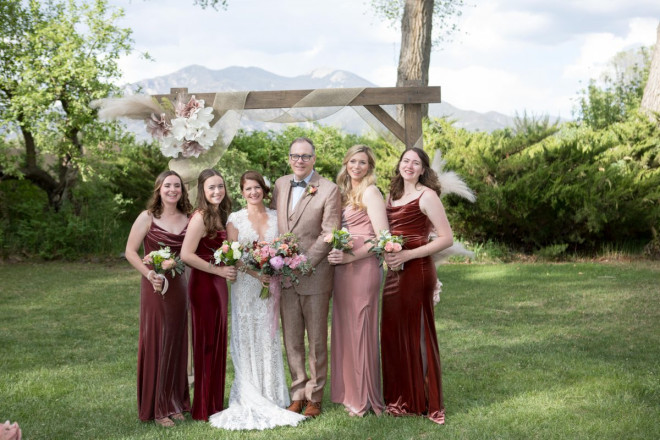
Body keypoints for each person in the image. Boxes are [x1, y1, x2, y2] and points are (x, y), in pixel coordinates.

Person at [209, 171, 306, 430]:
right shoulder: (235, 219)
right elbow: (231, 254)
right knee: (247, 333)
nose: (254, 192)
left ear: (264, 189)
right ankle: (249, 390)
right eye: (248, 189)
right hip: (245, 285)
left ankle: (273, 394)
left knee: (269, 335)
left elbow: (286, 246)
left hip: (272, 286)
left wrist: (274, 268)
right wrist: (256, 273)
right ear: (242, 192)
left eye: (257, 188)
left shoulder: (277, 216)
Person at [381, 147, 453, 425]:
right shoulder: (392, 196)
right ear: (399, 164)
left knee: (418, 333)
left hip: (418, 270)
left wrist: (408, 254)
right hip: (394, 272)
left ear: (423, 169)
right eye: (405, 161)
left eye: (416, 163)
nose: (409, 166)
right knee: (392, 331)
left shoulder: (428, 195)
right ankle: (399, 398)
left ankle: (425, 400)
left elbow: (446, 238)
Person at [270, 137, 341, 418]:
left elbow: (329, 232)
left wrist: (303, 263)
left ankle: (315, 396)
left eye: (305, 156)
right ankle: (297, 393)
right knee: (292, 338)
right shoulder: (280, 184)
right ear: (289, 158)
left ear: (314, 158)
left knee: (316, 339)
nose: (299, 160)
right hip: (284, 277)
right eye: (294, 156)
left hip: (315, 275)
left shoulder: (330, 189)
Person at [124, 170, 192, 427]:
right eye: (168, 186)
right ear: (159, 189)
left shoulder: (189, 218)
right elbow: (130, 251)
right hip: (154, 287)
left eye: (177, 186)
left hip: (179, 287)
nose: (173, 190)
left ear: (182, 190)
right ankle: (157, 406)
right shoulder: (147, 217)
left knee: (176, 341)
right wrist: (149, 273)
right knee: (158, 341)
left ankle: (175, 402)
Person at [327, 145, 389, 417]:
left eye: (362, 162)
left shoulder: (371, 192)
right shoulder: (343, 193)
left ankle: (364, 397)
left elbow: (382, 238)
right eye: (352, 161)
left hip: (362, 267)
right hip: (342, 271)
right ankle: (349, 392)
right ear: (346, 163)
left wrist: (351, 258)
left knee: (361, 329)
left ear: (370, 167)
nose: (356, 166)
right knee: (345, 330)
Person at [181, 169, 237, 421]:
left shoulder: (220, 214)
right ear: (202, 191)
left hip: (218, 285)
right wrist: (218, 270)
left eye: (220, 186)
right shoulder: (200, 216)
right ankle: (202, 407)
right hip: (204, 285)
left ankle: (214, 402)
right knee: (205, 344)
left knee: (216, 342)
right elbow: (186, 255)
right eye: (211, 187)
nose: (217, 191)